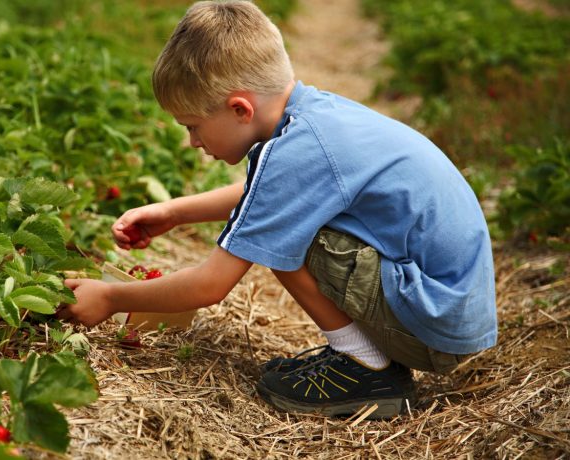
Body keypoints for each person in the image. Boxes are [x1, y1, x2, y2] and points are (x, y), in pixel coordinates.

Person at [60, 0, 497, 419]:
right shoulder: (315, 116)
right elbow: (272, 194)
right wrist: (175, 212)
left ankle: (366, 369)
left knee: (284, 240)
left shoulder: (300, 150)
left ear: (239, 109)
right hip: (447, 306)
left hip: (435, 325)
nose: (192, 141)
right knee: (281, 222)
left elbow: (210, 286)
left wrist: (112, 297)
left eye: (193, 126)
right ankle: (364, 355)